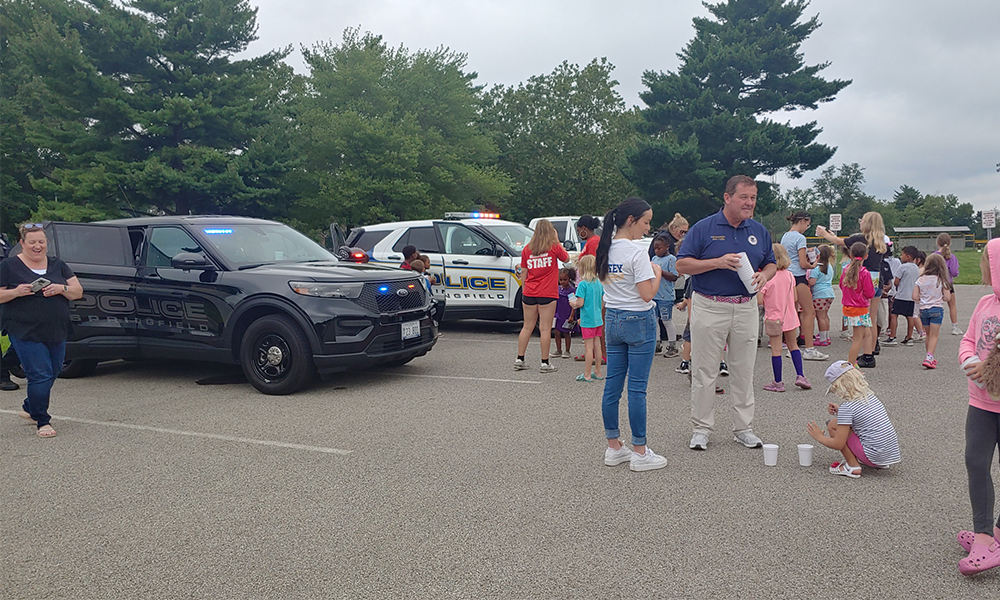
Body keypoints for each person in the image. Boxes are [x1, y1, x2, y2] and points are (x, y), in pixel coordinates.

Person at [677, 175, 776, 451]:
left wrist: (765, 276)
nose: (749, 203)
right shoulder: (703, 228)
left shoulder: (758, 230)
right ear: (727, 197)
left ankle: (744, 428)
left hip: (745, 307)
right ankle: (701, 428)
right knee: (704, 371)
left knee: (743, 370)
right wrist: (717, 262)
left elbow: (771, 263)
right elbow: (682, 265)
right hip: (710, 305)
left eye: (753, 198)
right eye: (744, 197)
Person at [595, 196, 667, 472]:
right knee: (637, 388)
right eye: (646, 222)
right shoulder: (637, 252)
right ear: (630, 221)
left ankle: (614, 446)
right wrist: (657, 273)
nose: (648, 229)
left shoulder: (606, 248)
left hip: (612, 319)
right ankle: (640, 451)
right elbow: (647, 294)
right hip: (638, 319)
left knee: (612, 386)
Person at [0, 223, 84, 438]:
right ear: (22, 244)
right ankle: (42, 421)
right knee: (39, 374)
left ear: (47, 243)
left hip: (56, 328)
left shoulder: (58, 265)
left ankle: (30, 407)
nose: (37, 246)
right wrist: (16, 292)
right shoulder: (9, 266)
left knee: (53, 371)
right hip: (24, 329)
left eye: (41, 242)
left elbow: (77, 292)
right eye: (32, 242)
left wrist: (61, 288)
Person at [956, 238, 1000, 575]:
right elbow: (969, 338)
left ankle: (994, 534)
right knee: (976, 461)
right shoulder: (986, 301)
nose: (983, 265)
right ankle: (985, 535)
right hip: (981, 401)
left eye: (986, 259)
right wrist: (970, 359)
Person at [817, 212, 890, 367]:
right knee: (872, 318)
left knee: (865, 321)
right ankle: (871, 349)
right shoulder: (880, 241)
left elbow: (838, 241)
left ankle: (867, 354)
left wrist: (824, 234)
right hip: (876, 279)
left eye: (861, 220)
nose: (860, 223)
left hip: (862, 279)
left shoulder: (860, 239)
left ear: (867, 223)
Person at [806, 361, 900, 479]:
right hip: (888, 456)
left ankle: (852, 466)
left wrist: (819, 437)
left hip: (872, 456)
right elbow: (863, 417)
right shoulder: (870, 397)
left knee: (833, 425)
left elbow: (838, 443)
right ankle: (876, 462)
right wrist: (840, 411)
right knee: (842, 423)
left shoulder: (848, 407)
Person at [515, 219, 569, 373]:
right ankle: (545, 363)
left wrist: (525, 288)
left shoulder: (527, 249)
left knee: (527, 326)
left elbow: (523, 271)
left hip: (530, 292)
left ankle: (520, 358)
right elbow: (566, 258)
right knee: (545, 329)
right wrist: (557, 240)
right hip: (547, 292)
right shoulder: (553, 247)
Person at [760, 244, 811, 392]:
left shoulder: (767, 278)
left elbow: (759, 299)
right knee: (793, 346)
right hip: (789, 316)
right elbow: (795, 297)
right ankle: (800, 375)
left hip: (774, 317)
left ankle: (778, 382)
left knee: (776, 349)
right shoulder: (789, 275)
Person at [781, 211, 828, 361]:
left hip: (787, 276)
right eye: (807, 224)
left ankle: (792, 347)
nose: (807, 227)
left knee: (792, 312)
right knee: (809, 312)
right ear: (802, 221)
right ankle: (809, 348)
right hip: (799, 276)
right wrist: (812, 264)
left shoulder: (785, 236)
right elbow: (802, 263)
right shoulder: (800, 238)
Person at [574, 215, 606, 364]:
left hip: (591, 283)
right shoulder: (590, 241)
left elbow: (592, 263)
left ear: (584, 229)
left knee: (595, 318)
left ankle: (600, 354)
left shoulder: (594, 242)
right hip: (589, 282)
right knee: (591, 318)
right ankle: (590, 352)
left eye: (579, 229)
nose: (579, 232)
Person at [913, 253, 952, 369]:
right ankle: (929, 357)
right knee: (934, 336)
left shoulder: (920, 279)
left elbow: (914, 296)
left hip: (923, 310)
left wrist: (922, 298)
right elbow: (947, 297)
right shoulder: (941, 280)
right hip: (936, 309)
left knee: (928, 335)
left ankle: (929, 356)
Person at [840, 242, 876, 367]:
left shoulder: (846, 270)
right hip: (860, 308)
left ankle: (852, 361)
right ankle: (850, 364)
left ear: (850, 255)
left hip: (848, 307)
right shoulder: (864, 273)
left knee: (866, 334)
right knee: (858, 339)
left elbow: (841, 285)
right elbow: (869, 293)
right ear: (866, 256)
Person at [569, 255, 604, 382]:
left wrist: (573, 303)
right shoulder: (599, 283)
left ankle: (587, 374)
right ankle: (598, 371)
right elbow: (602, 301)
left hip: (587, 320)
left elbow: (580, 303)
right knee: (597, 346)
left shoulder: (583, 285)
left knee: (588, 348)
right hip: (597, 318)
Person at [650, 234, 679, 358]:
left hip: (665, 296)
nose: (657, 251)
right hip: (654, 294)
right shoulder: (654, 259)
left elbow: (674, 276)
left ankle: (672, 345)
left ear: (667, 247)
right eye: (655, 248)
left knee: (667, 320)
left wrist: (660, 272)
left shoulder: (671, 259)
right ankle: (657, 344)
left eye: (659, 248)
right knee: (655, 320)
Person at [886, 246, 920, 346]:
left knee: (894, 315)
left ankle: (892, 336)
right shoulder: (916, 268)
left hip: (901, 295)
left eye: (902, 254)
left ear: (908, 257)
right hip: (911, 296)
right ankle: (909, 337)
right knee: (909, 316)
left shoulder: (902, 267)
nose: (901, 256)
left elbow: (896, 281)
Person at [807, 244, 836, 347]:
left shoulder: (817, 267)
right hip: (829, 293)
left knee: (820, 317)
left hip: (819, 294)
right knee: (825, 316)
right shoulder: (829, 267)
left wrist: (808, 279)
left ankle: (823, 339)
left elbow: (812, 282)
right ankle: (826, 336)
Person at [936, 233, 963, 335]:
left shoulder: (934, 256)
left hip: (936, 282)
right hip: (948, 283)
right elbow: (955, 272)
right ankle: (954, 327)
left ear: (938, 243)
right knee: (952, 305)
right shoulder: (952, 257)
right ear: (950, 243)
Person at [552, 267, 578, 358]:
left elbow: (574, 305)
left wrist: (572, 315)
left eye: (565, 280)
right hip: (558, 313)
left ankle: (567, 350)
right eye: (561, 280)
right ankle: (558, 350)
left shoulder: (571, 291)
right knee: (556, 332)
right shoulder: (557, 289)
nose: (563, 282)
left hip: (567, 314)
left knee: (567, 333)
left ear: (569, 279)